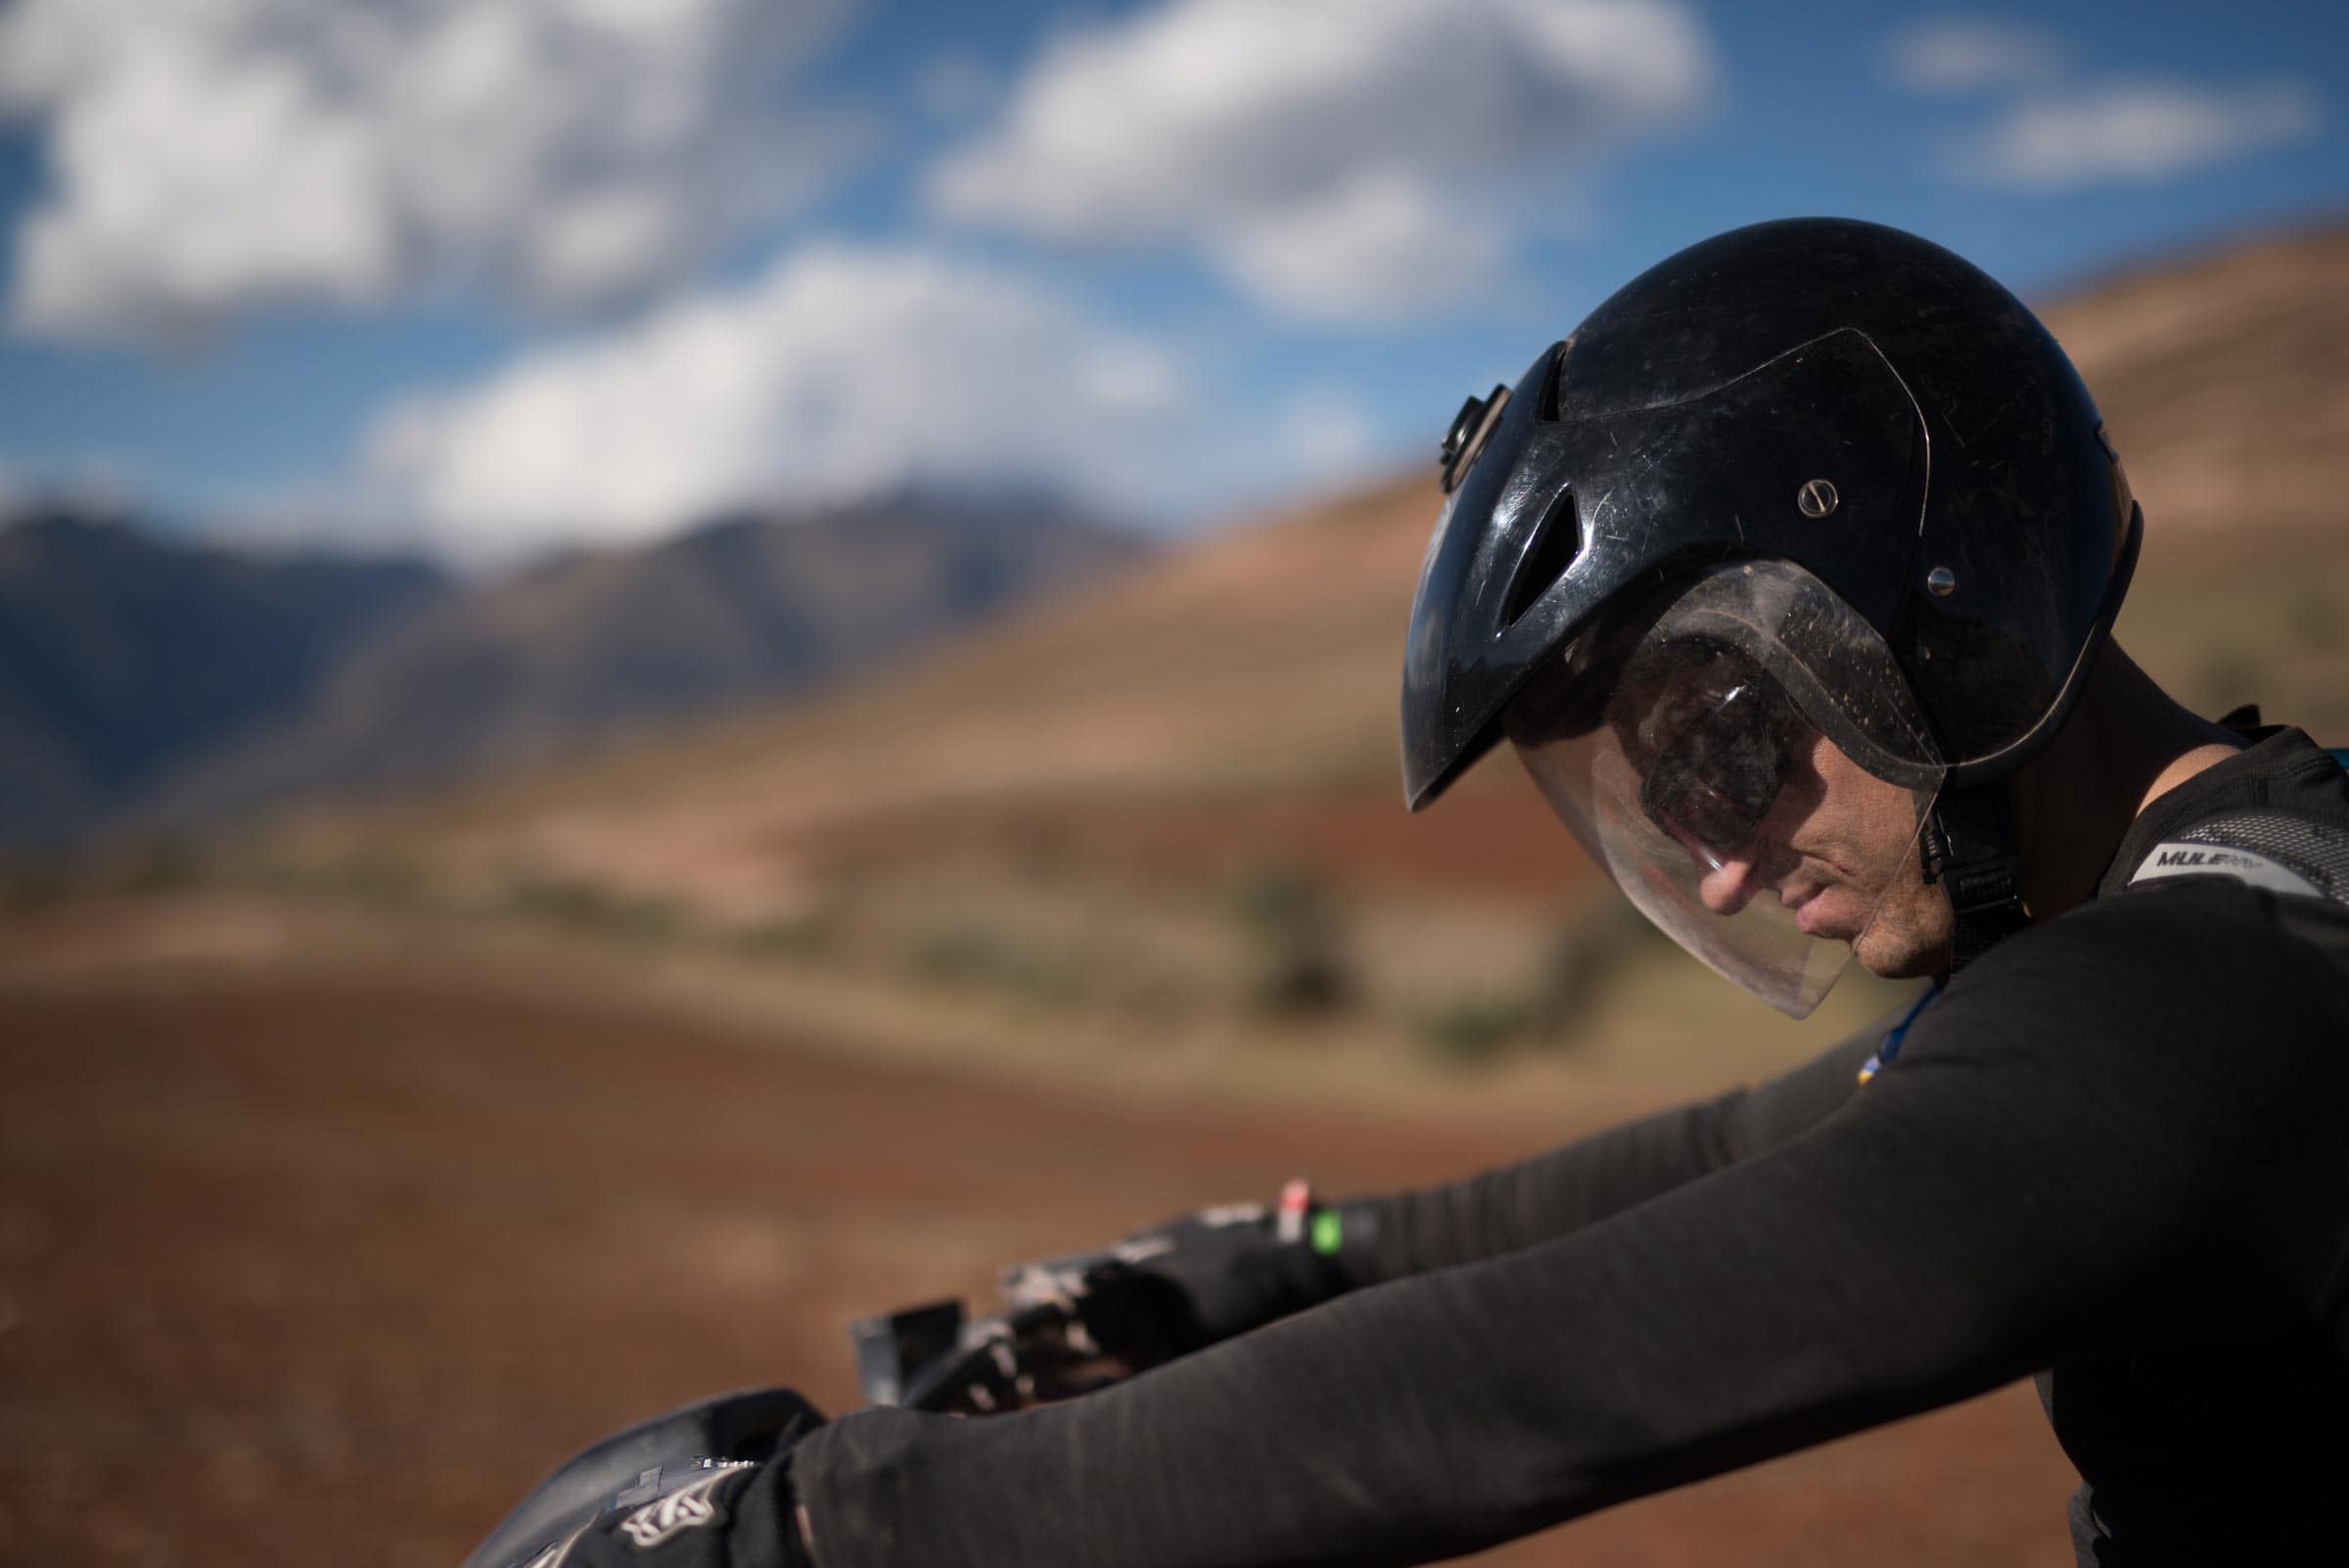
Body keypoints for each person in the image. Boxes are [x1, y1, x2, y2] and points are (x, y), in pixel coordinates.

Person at [505, 219, 2349, 1568]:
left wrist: (822, 1528)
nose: (1716, 859)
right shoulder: (2220, 914)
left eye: (1726, 739)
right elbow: (1726, 1163)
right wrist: (1269, 1261)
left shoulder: (2206, 1017)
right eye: (1666, 794)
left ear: (1931, 600)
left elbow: (1548, 1380)